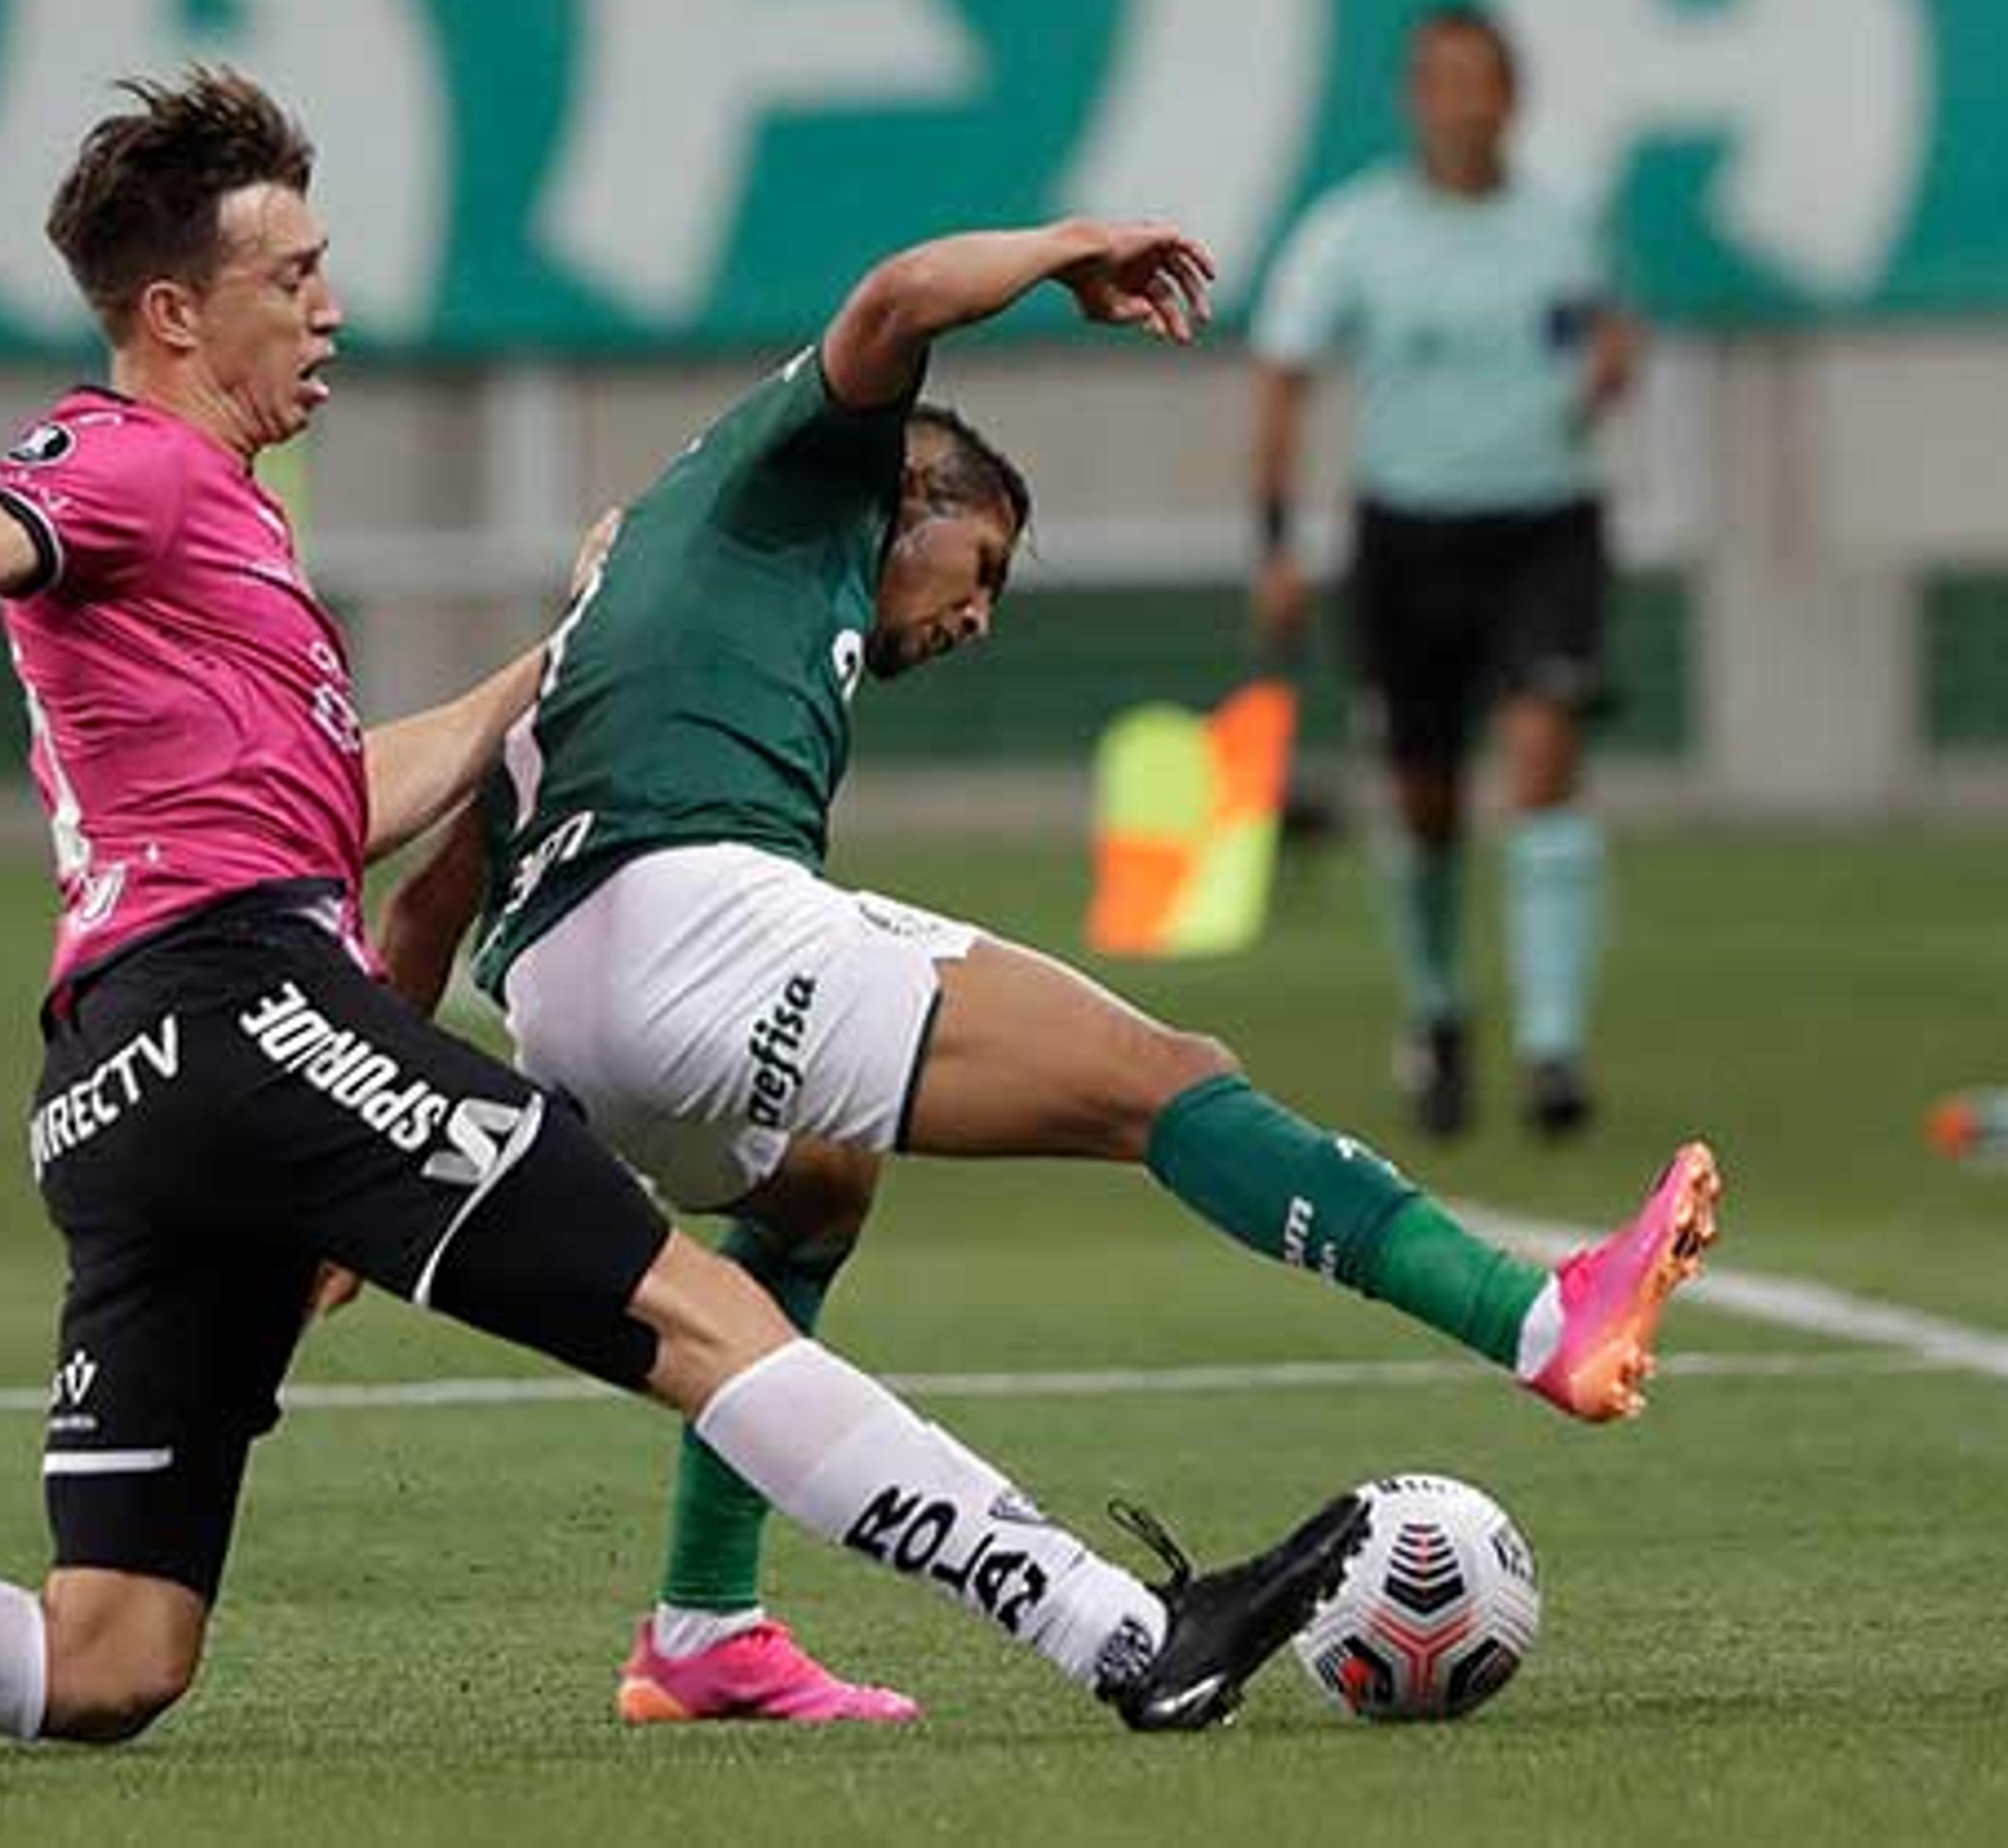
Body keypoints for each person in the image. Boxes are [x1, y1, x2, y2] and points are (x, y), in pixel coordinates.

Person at [0, 67, 1371, 1777]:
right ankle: (1129, 1630)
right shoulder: (133, 454)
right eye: (292, 278)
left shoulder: (230, 526)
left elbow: (339, 803)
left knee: (114, 1656)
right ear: (176, 311)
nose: (329, 308)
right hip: (241, 1010)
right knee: (706, 1304)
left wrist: (552, 659)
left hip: (119, 1091)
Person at [360, 216, 1719, 1726]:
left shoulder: (618, 621)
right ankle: (1540, 1319)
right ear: (909, 493)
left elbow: (423, 912)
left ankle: (703, 1630)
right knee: (1166, 1079)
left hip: (565, 1001)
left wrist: (349, 1149)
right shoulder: (799, 469)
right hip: (693, 921)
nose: (980, 612)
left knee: (819, 1184)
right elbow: (891, 294)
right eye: (983, 562)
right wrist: (1072, 250)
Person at [1248, 3, 1644, 1141]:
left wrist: (1614, 368)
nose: (1462, 102)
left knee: (1543, 753)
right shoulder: (1354, 235)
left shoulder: (1568, 225)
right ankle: (1437, 1012)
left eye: (1482, 81)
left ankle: (1555, 1047)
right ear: (1415, 99)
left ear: (1511, 98)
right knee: (1424, 796)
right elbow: (1283, 377)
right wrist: (1276, 542)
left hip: (1547, 528)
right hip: (1407, 540)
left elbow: (1609, 336)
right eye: (1440, 81)